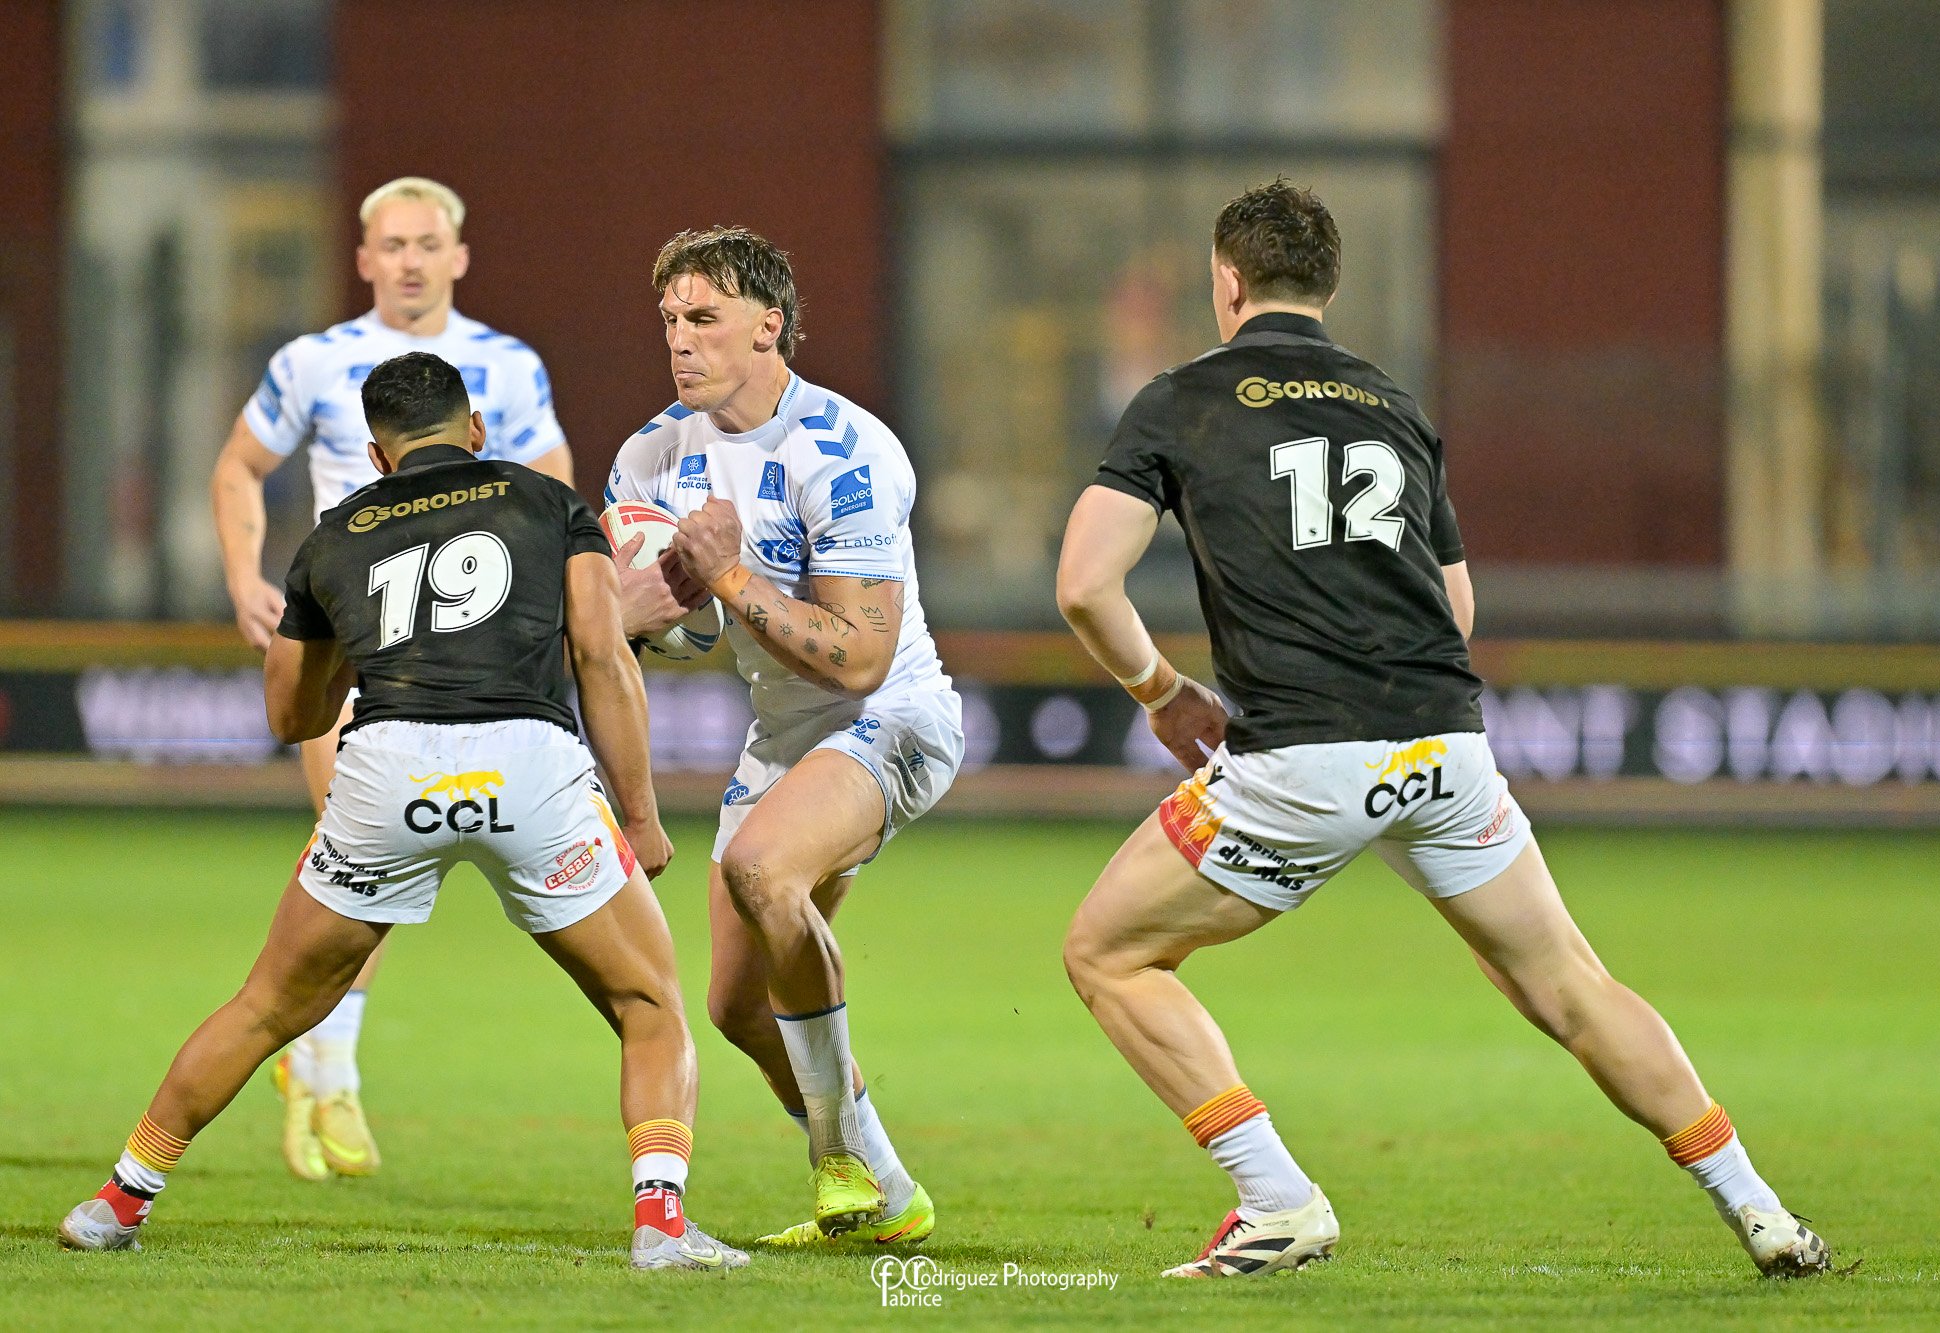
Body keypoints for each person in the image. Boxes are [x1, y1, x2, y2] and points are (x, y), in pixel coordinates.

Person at [1055, 179, 1831, 1280]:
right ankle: (1762, 1209)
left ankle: (1276, 1200)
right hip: (1443, 749)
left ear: (1225, 281)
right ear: (1327, 286)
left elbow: (1085, 585)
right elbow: (1456, 609)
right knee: (1569, 985)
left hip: (1302, 757)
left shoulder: (1179, 399)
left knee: (1107, 952)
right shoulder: (1393, 406)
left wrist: (1158, 689)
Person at [63, 353, 743, 1273]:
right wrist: (643, 814)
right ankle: (660, 1223)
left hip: (390, 771)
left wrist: (363, 646)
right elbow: (601, 656)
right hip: (528, 765)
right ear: (477, 431)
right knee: (649, 1000)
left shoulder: (336, 536)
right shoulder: (548, 502)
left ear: (379, 456)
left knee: (266, 1006)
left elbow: (290, 716)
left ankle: (117, 1199)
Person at [210, 177, 573, 1182]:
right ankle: (329, 1069)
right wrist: (244, 576)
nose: (410, 260)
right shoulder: (314, 361)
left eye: (427, 243)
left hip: (468, 651)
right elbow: (239, 466)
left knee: (372, 857)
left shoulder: (507, 366)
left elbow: (555, 494)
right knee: (358, 851)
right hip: (355, 639)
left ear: (459, 256)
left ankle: (318, 1063)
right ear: (364, 258)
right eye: (392, 244)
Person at [606, 226, 962, 1247]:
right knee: (737, 1007)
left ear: (769, 326)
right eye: (669, 319)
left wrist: (726, 576)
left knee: (762, 868)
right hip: (782, 738)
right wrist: (635, 616)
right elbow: (641, 632)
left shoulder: (845, 453)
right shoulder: (650, 456)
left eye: (704, 318)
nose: (680, 339)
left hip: (892, 719)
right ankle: (887, 1192)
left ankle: (836, 1155)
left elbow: (858, 658)